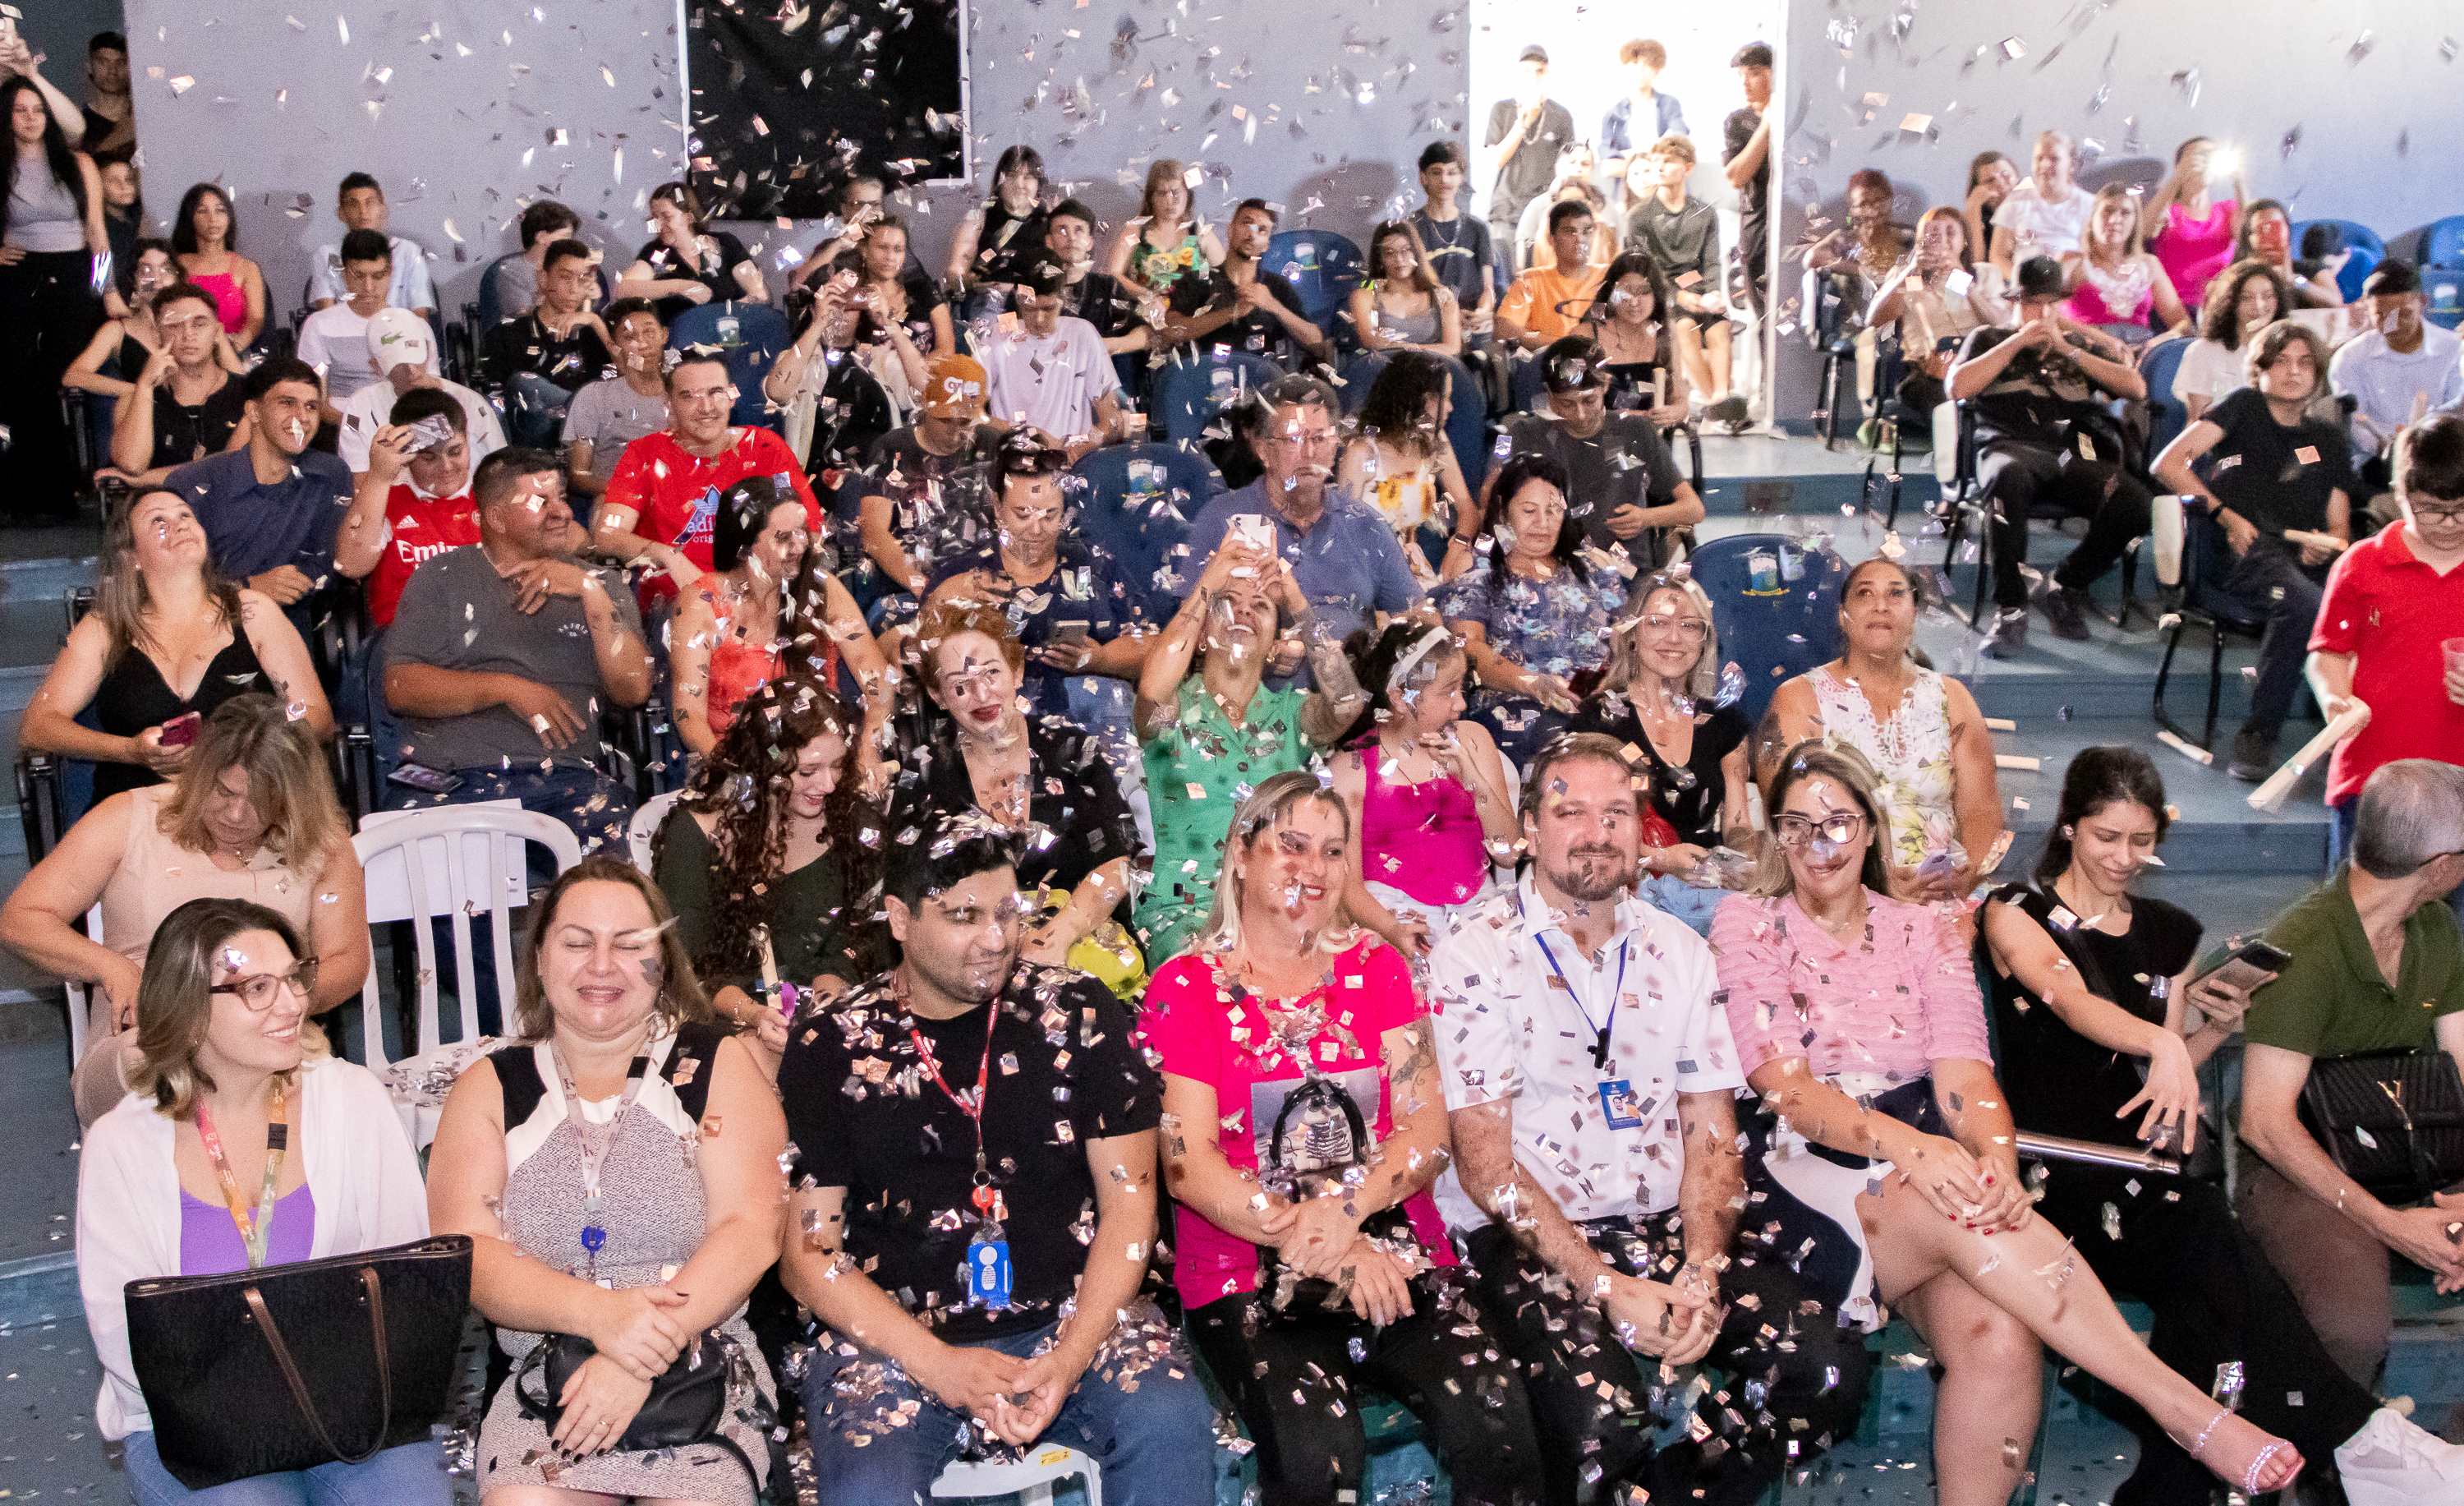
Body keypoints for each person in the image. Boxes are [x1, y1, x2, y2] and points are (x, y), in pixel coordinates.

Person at [1712, 744, 2302, 1504]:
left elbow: (1964, 1071)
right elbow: (1784, 1088)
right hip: (1805, 1162)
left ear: (1869, 828)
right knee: (1954, 1196)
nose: (1818, 844)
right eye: (1796, 826)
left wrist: (1995, 1160)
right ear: (1776, 835)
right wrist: (1920, 1150)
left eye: (1837, 822)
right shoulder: (1749, 921)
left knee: (2000, 1336)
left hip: (1924, 1168)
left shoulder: (1923, 930)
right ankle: (2184, 1409)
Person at [1982, 745, 2464, 1503]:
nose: (2124, 858)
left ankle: (2173, 1488)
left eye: (2142, 842)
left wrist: (2207, 1031)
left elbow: (2155, 1086)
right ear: (2070, 827)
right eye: (2107, 837)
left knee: (2205, 1300)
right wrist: (2167, 1040)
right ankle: (2361, 1439)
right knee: (2213, 1252)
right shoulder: (2015, 910)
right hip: (2059, 1170)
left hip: (2147, 1168)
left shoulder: (2168, 929)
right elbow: (2068, 999)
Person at [1432, 734, 1869, 1506]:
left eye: (1616, 813)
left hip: (1667, 1222)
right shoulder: (1475, 953)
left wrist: (1700, 1266)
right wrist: (1609, 1287)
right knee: (1602, 1421)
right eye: (1570, 811)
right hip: (1526, 1234)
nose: (1596, 832)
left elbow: (1712, 1133)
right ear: (1529, 829)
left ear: (1641, 831)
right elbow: (1487, 1169)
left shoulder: (1681, 952)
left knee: (1823, 1365)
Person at [778, 819, 1216, 1506]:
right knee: (869, 1485)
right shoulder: (829, 1041)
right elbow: (810, 1253)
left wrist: (1068, 1358)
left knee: (1170, 1422)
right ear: (898, 917)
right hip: (894, 1342)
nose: (995, 937)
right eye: (964, 916)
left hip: (1077, 1319)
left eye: (1010, 912)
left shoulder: (1078, 1012)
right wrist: (940, 1366)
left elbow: (1131, 1209)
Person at [1141, 771, 1542, 1506]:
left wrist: (1351, 1221)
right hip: (1247, 1266)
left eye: (1332, 851)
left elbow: (1428, 1126)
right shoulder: (1185, 987)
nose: (1314, 870)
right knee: (1317, 1456)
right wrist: (1315, 1233)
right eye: (1291, 846)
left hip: (1392, 1245)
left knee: (1496, 1412)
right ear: (1240, 852)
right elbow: (1186, 1162)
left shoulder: (1379, 969)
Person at [426, 857, 785, 1504]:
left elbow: (751, 1227)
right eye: (577, 942)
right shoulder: (489, 1086)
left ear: (662, 964)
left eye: (629, 945)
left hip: (705, 1367)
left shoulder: (715, 1063)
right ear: (538, 959)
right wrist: (600, 1316)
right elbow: (469, 1248)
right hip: (549, 1378)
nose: (601, 965)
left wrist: (633, 1354)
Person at [76, 897, 444, 1505]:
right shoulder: (122, 1143)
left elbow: (406, 1284)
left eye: (294, 978)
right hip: (199, 1429)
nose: (293, 1002)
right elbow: (125, 1336)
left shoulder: (352, 1101)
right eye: (257, 987)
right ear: (190, 1009)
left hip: (348, 1408)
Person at [5, 694, 366, 1128]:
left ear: (293, 799)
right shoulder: (129, 817)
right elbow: (21, 919)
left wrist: (265, 1004)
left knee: (339, 1093)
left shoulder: (321, 845)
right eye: (223, 790)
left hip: (270, 1032)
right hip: (146, 1039)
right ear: (200, 771)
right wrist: (112, 967)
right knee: (176, 1075)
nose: (235, 814)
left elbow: (347, 961)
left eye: (259, 801)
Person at [2234, 760, 2464, 1393]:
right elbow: (2265, 1124)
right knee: (2350, 1323)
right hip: (2300, 1167)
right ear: (2441, 865)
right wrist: (2395, 1226)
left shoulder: (2435, 928)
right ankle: (2310, 1467)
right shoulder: (2305, 946)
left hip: (2417, 1144)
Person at [383, 447, 651, 849]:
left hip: (567, 781)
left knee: (618, 868)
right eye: (540, 502)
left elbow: (633, 690)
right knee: (423, 884)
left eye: (561, 497)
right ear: (496, 518)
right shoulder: (441, 576)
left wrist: (590, 594)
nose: (562, 511)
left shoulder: (602, 584)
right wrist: (508, 689)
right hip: (451, 779)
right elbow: (401, 688)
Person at [1132, 531, 1362, 963]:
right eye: (1227, 604)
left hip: (1281, 910)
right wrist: (1205, 587)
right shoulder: (1173, 709)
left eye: (1259, 607)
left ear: (1276, 644)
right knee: (1218, 982)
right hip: (1186, 914)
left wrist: (1295, 601)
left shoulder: (1294, 715)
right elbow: (1151, 686)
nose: (1243, 613)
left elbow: (1347, 703)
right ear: (1201, 636)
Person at [21, 488, 332, 804]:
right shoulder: (105, 627)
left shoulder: (254, 612)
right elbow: (38, 725)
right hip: (140, 808)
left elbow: (313, 712)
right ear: (132, 557)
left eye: (186, 515)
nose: (179, 524)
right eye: (159, 520)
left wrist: (249, 736)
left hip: (245, 800)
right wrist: (129, 751)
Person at [2154, 319, 2353, 780]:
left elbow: (2340, 526)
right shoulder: (2242, 408)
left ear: (2319, 374)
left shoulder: (2326, 439)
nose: (2292, 372)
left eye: (2305, 363)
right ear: (2259, 369)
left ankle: (2354, 733)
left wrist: (2326, 547)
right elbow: (2168, 464)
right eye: (2280, 361)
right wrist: (2223, 513)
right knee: (2305, 603)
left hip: (2303, 559)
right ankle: (2259, 734)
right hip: (2237, 551)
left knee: (2356, 597)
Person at [892, 601, 1143, 968]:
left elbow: (1118, 864)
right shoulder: (924, 774)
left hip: (1078, 947)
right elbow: (913, 896)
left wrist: (1055, 938)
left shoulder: (1071, 748)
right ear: (938, 697)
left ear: (1017, 671)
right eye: (960, 684)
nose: (981, 695)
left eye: (991, 673)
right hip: (971, 962)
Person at [653, 676, 887, 1069]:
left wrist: (836, 978)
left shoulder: (855, 822)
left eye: (837, 766)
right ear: (765, 764)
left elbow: (878, 930)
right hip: (725, 1021)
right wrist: (751, 1013)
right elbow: (681, 964)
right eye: (808, 771)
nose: (828, 785)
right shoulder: (699, 834)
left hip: (836, 1017)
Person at [1762, 557, 2005, 902]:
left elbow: (1981, 810)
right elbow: (1790, 824)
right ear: (1843, 616)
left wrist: (1967, 876)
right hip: (1834, 891)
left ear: (1914, 614)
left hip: (1943, 892)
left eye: (1895, 595)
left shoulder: (1953, 697)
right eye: (1864, 594)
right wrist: (1874, 887)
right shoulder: (1797, 698)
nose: (1880, 606)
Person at [1944, 255, 2153, 654]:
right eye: (2032, 303)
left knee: (2135, 501)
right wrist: (2017, 341)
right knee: (2009, 476)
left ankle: (2065, 583)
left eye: (2049, 303)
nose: (2041, 312)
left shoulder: (2076, 346)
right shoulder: (1989, 337)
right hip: (2006, 449)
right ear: (2016, 302)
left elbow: (2136, 389)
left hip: (2068, 457)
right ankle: (2010, 608)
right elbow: (1957, 388)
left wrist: (2067, 349)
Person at [1181, 375, 1423, 680]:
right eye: (1294, 439)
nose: (1309, 454)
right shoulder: (1222, 520)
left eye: (1320, 438)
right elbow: (1187, 630)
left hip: (1352, 702)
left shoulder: (1364, 522)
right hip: (1257, 705)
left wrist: (1385, 650)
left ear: (1336, 446)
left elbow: (1419, 617)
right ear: (1263, 450)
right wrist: (1255, 655)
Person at [2308, 415, 2464, 875]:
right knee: (2360, 926)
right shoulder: (2364, 565)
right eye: (2433, 509)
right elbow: (2329, 651)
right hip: (2373, 776)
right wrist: (2334, 698)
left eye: (2463, 508)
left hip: (2458, 782)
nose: (2450, 523)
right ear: (2399, 494)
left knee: (2450, 937)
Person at [1571, 572, 1752, 934]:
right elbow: (1578, 828)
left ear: (1704, 640)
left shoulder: (1725, 722)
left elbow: (1738, 824)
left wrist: (1743, 861)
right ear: (1633, 634)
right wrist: (1661, 858)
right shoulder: (1598, 720)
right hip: (1622, 895)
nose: (1674, 638)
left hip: (1707, 893)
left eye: (1689, 626)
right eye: (1657, 623)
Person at [922, 434, 1144, 723]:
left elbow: (1152, 645)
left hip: (1087, 718)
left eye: (1050, 515)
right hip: (992, 723)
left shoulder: (1095, 564)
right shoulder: (963, 573)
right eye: (1023, 514)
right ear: (997, 507)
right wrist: (944, 598)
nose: (1037, 530)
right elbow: (915, 658)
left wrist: (1102, 659)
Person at [1327, 623, 1519, 955]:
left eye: (1462, 689)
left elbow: (1510, 853)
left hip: (1478, 907)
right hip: (1394, 914)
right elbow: (1349, 887)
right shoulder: (1352, 768)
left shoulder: (1472, 739)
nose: (1460, 704)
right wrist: (1392, 928)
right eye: (1448, 691)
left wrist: (1471, 778)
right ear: (1402, 698)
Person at [670, 473, 887, 759]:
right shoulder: (701, 602)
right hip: (737, 759)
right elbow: (689, 717)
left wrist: (867, 753)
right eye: (783, 538)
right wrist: (734, 776)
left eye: (802, 532)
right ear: (744, 546)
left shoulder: (823, 589)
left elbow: (879, 683)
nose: (799, 547)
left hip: (821, 762)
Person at [595, 348, 822, 611]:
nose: (706, 408)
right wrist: (669, 556)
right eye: (689, 396)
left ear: (732, 396)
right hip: (678, 605)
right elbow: (607, 534)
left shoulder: (764, 447)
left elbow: (811, 530)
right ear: (669, 404)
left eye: (716, 392)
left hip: (761, 600)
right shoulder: (645, 453)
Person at [1440, 452, 1627, 763]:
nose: (1542, 524)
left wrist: (1610, 680)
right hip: (1517, 708)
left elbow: (1629, 637)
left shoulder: (1594, 570)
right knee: (1560, 744)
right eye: (1529, 511)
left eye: (1553, 511)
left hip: (1597, 703)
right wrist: (1531, 683)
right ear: (1503, 512)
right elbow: (1467, 649)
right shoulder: (1478, 578)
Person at [1484, 338, 1703, 573]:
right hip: (1548, 571)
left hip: (1623, 572)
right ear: (1548, 393)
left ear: (1606, 385)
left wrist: (1646, 517)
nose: (1579, 414)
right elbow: (1489, 500)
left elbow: (1693, 509)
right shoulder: (1521, 434)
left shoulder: (1636, 430)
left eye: (1589, 401)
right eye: (1566, 404)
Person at [161, 357, 354, 612]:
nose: (302, 418)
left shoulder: (330, 475)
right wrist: (248, 586)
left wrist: (293, 584)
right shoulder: (194, 483)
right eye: (287, 403)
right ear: (254, 412)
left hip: (295, 618)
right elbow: (166, 579)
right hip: (212, 621)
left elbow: (334, 563)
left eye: (311, 407)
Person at [1, 71, 112, 514]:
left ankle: (65, 488)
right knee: (21, 381)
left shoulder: (78, 163)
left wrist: (106, 293)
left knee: (59, 377)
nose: (31, 118)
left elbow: (98, 235)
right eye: (20, 110)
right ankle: (28, 491)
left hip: (73, 276)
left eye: (38, 110)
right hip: (20, 275)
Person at [849, 353, 1004, 606]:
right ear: (924, 405)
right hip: (909, 586)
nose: (956, 432)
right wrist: (927, 590)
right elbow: (874, 534)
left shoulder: (992, 444)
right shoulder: (891, 448)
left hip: (980, 582)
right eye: (945, 420)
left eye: (965, 422)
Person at [333, 385, 480, 633]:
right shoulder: (385, 499)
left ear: (467, 441)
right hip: (405, 640)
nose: (446, 466)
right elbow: (349, 565)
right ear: (406, 456)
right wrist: (379, 476)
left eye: (455, 451)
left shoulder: (492, 496)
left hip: (483, 637)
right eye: (428, 457)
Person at [1625, 135, 1746, 424]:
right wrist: (1680, 296)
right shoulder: (1640, 217)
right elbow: (1643, 270)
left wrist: (1714, 293)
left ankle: (1719, 400)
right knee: (1685, 328)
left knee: (1720, 330)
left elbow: (1712, 262)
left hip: (1700, 292)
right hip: (1659, 296)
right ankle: (1718, 408)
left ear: (1688, 168)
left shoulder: (1704, 214)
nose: (1660, 167)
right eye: (1657, 162)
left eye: (1668, 161)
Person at [94, 275, 251, 489]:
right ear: (158, 335)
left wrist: (144, 480)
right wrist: (145, 386)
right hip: (164, 513)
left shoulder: (250, 392)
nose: (188, 334)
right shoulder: (136, 398)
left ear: (217, 332)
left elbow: (234, 467)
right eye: (174, 325)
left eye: (199, 323)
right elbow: (130, 465)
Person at [1336, 349, 1475, 581]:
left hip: (1421, 570)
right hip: (1370, 572)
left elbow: (1466, 508)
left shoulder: (1435, 440)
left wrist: (1458, 547)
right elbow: (1344, 531)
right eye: (1445, 398)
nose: (1450, 408)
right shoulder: (1361, 453)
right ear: (1419, 399)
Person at [2329, 260, 2464, 492]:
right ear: (2368, 310)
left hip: (2443, 459)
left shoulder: (2453, 350)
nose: (2393, 325)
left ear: (2422, 302)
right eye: (2382, 316)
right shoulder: (2350, 358)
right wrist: (2394, 447)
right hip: (2377, 466)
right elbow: (2354, 424)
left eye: (2403, 314)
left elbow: (2455, 415)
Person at [333, 306, 505, 476]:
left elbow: (500, 470)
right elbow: (360, 483)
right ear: (376, 367)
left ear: (428, 350)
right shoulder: (360, 408)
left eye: (415, 358)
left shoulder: (473, 404)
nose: (412, 371)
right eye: (399, 365)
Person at [1866, 208, 2000, 423]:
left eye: (1950, 233)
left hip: (1977, 364)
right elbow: (1874, 320)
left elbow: (2004, 324)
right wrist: (1911, 270)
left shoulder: (1983, 275)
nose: (1943, 240)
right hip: (1927, 371)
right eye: (1934, 234)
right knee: (1951, 413)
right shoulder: (1912, 280)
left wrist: (1963, 281)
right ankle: (1956, 452)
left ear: (1964, 241)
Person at [979, 256, 1123, 455]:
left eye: (1048, 309)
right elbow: (973, 413)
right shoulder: (997, 333)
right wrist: (1029, 434)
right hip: (1014, 460)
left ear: (1063, 297)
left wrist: (1089, 442)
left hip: (1069, 462)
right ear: (1018, 298)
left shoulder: (1082, 333)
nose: (1039, 320)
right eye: (1029, 308)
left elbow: (1112, 419)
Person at [1163, 198, 1327, 371]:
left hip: (1267, 386)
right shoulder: (1199, 280)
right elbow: (1171, 330)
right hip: (1208, 381)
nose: (1252, 234)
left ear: (1266, 245)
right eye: (1247, 223)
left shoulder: (1277, 286)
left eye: (1262, 230)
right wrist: (1233, 312)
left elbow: (1315, 341)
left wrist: (1273, 306)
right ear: (1230, 229)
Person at [480, 237, 613, 446]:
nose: (574, 289)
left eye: (583, 279)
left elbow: (627, 384)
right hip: (533, 446)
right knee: (524, 384)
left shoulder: (595, 333)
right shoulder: (507, 333)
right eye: (565, 278)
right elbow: (494, 401)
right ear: (543, 279)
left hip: (590, 443)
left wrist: (595, 321)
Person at [297, 229, 434, 424]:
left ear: (390, 273)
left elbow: (431, 393)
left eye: (378, 276)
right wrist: (361, 427)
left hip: (404, 423)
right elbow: (316, 402)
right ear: (344, 274)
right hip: (341, 427)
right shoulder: (319, 326)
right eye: (358, 275)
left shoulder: (416, 327)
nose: (368, 287)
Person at [562, 297, 670, 505]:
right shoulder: (594, 396)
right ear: (616, 347)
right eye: (629, 337)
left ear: (664, 335)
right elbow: (578, 475)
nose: (643, 344)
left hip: (675, 497)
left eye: (649, 332)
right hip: (617, 500)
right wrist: (630, 491)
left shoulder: (684, 392)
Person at [2060, 182, 2190, 346]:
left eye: (2125, 213)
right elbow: (2048, 315)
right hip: (2090, 353)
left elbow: (2183, 324)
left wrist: (2155, 343)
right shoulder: (2074, 263)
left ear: (2135, 222)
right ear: (2092, 217)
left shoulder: (2149, 265)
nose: (2115, 220)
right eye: (2107, 211)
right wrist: (2104, 340)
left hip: (2140, 354)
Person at [615, 180, 762, 324]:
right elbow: (623, 290)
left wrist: (724, 315)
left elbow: (759, 295)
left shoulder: (725, 243)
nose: (659, 225)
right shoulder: (656, 253)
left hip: (735, 333)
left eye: (666, 217)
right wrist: (682, 287)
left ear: (688, 217)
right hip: (681, 342)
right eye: (654, 218)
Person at [1483, 45, 1575, 263]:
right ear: (1517, 74)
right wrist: (1524, 122)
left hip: (1546, 212)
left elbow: (1569, 164)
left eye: (1539, 71)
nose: (1533, 77)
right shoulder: (1502, 110)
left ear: (1548, 73)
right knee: (1506, 281)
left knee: (1541, 279)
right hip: (1506, 212)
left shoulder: (1561, 115)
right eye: (1527, 71)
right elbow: (1496, 159)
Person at [307, 173, 435, 321]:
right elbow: (326, 319)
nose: (363, 212)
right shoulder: (329, 255)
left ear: (383, 209)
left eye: (369, 203)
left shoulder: (408, 252)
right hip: (344, 338)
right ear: (341, 213)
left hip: (398, 338)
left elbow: (420, 320)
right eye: (353, 204)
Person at [2174, 259, 2288, 425]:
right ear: (2230, 302)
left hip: (2283, 445)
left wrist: (2308, 452)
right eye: (2246, 298)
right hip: (2227, 446)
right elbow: (2197, 422)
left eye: (2268, 296)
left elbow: (2301, 423)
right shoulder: (2202, 352)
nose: (2259, 306)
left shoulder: (2292, 350)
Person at [2141, 136, 2246, 313]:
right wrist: (2177, 178)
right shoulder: (2170, 209)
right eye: (2200, 155)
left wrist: (2239, 182)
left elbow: (2247, 235)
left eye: (2211, 156)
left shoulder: (2226, 210)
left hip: (2219, 306)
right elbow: (2146, 230)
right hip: (2174, 307)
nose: (2205, 161)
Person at [1584, 250, 1689, 425]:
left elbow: (1678, 396)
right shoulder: (1587, 335)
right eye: (1626, 291)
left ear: (1657, 294)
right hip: (1601, 437)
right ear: (1610, 292)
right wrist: (1632, 417)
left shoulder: (1665, 333)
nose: (1634, 302)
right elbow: (1572, 405)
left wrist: (1677, 410)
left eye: (1644, 292)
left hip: (1651, 439)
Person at [1409, 142, 1498, 341]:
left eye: (1452, 172)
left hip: (1474, 321)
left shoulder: (1478, 228)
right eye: (1436, 172)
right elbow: (1408, 289)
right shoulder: (1411, 228)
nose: (1444, 179)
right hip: (1430, 319)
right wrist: (1450, 315)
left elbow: (1488, 288)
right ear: (1423, 178)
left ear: (1461, 178)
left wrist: (1483, 310)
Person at [1042, 197, 1152, 357]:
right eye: (1062, 230)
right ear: (1049, 241)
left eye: (1079, 230)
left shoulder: (1107, 286)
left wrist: (1101, 345)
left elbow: (1144, 334)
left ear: (1089, 242)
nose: (1071, 238)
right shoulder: (1032, 286)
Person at [1107, 156, 1225, 297]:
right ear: (1151, 198)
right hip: (1144, 314)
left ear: (1188, 195)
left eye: (1176, 192)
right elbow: (1113, 275)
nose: (1170, 201)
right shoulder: (1135, 231)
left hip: (1191, 317)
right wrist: (1147, 296)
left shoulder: (1201, 233)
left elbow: (1225, 278)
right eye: (1162, 193)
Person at [945, 142, 1053, 294]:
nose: (1019, 184)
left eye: (1028, 177)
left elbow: (1059, 278)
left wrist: (1016, 291)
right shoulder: (978, 217)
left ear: (1038, 184)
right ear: (999, 181)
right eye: (1011, 176)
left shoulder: (1049, 222)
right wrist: (966, 281)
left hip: (1034, 306)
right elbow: (955, 271)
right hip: (985, 303)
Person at [1495, 201, 1603, 350]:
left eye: (1586, 231)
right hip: (1548, 366)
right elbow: (1505, 330)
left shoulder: (1611, 277)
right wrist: (1568, 347)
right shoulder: (1530, 282)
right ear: (1551, 239)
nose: (1580, 239)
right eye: (1570, 231)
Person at [168, 181, 264, 347]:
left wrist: (235, 349)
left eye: (220, 210)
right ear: (190, 218)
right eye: (202, 211)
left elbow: (255, 320)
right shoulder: (177, 265)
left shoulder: (247, 268)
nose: (212, 219)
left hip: (234, 353)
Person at [1349, 219, 1462, 358]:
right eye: (1390, 253)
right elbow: (1370, 341)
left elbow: (1452, 347)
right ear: (1380, 259)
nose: (1399, 259)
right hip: (1384, 372)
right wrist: (1405, 349)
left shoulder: (1443, 296)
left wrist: (1411, 349)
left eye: (1406, 250)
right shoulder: (1365, 296)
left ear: (1417, 253)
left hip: (1433, 372)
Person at [1988, 130, 2093, 276]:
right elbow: (1998, 255)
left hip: (2070, 287)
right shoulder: (2015, 201)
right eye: (2039, 158)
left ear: (2072, 165)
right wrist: (2020, 283)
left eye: (2054, 159)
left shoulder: (2090, 205)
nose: (2045, 164)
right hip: (2025, 288)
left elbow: (2091, 255)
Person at [1721, 43, 1775, 316]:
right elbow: (1736, 175)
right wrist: (1767, 124)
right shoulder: (1739, 122)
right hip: (1757, 230)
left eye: (1754, 72)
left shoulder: (1799, 116)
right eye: (1741, 74)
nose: (1745, 82)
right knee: (1765, 317)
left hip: (1795, 224)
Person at [1598, 38, 1688, 181]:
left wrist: (1633, 158)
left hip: (1663, 184)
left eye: (1647, 66)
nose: (1640, 71)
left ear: (1657, 71)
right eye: (1634, 64)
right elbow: (1607, 160)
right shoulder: (1614, 114)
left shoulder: (1668, 104)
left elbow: (1680, 139)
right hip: (1628, 187)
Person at [1515, 145, 1615, 273]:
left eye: (1585, 164)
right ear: (1558, 167)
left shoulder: (1604, 209)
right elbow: (1522, 262)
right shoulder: (1538, 207)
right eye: (1572, 162)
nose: (1578, 169)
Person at [485, 198, 582, 320]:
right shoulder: (510, 271)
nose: (571, 244)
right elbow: (522, 319)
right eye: (565, 237)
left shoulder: (569, 269)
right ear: (542, 237)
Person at [1960, 151, 2020, 272]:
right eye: (1990, 180)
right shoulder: (1980, 219)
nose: (2000, 182)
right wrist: (1974, 207)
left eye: (2005, 174)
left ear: (2016, 176)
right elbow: (1976, 264)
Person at [78, 31, 132, 162]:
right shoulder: (79, 125)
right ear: (90, 67)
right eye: (103, 62)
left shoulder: (143, 118)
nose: (112, 71)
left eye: (121, 62)